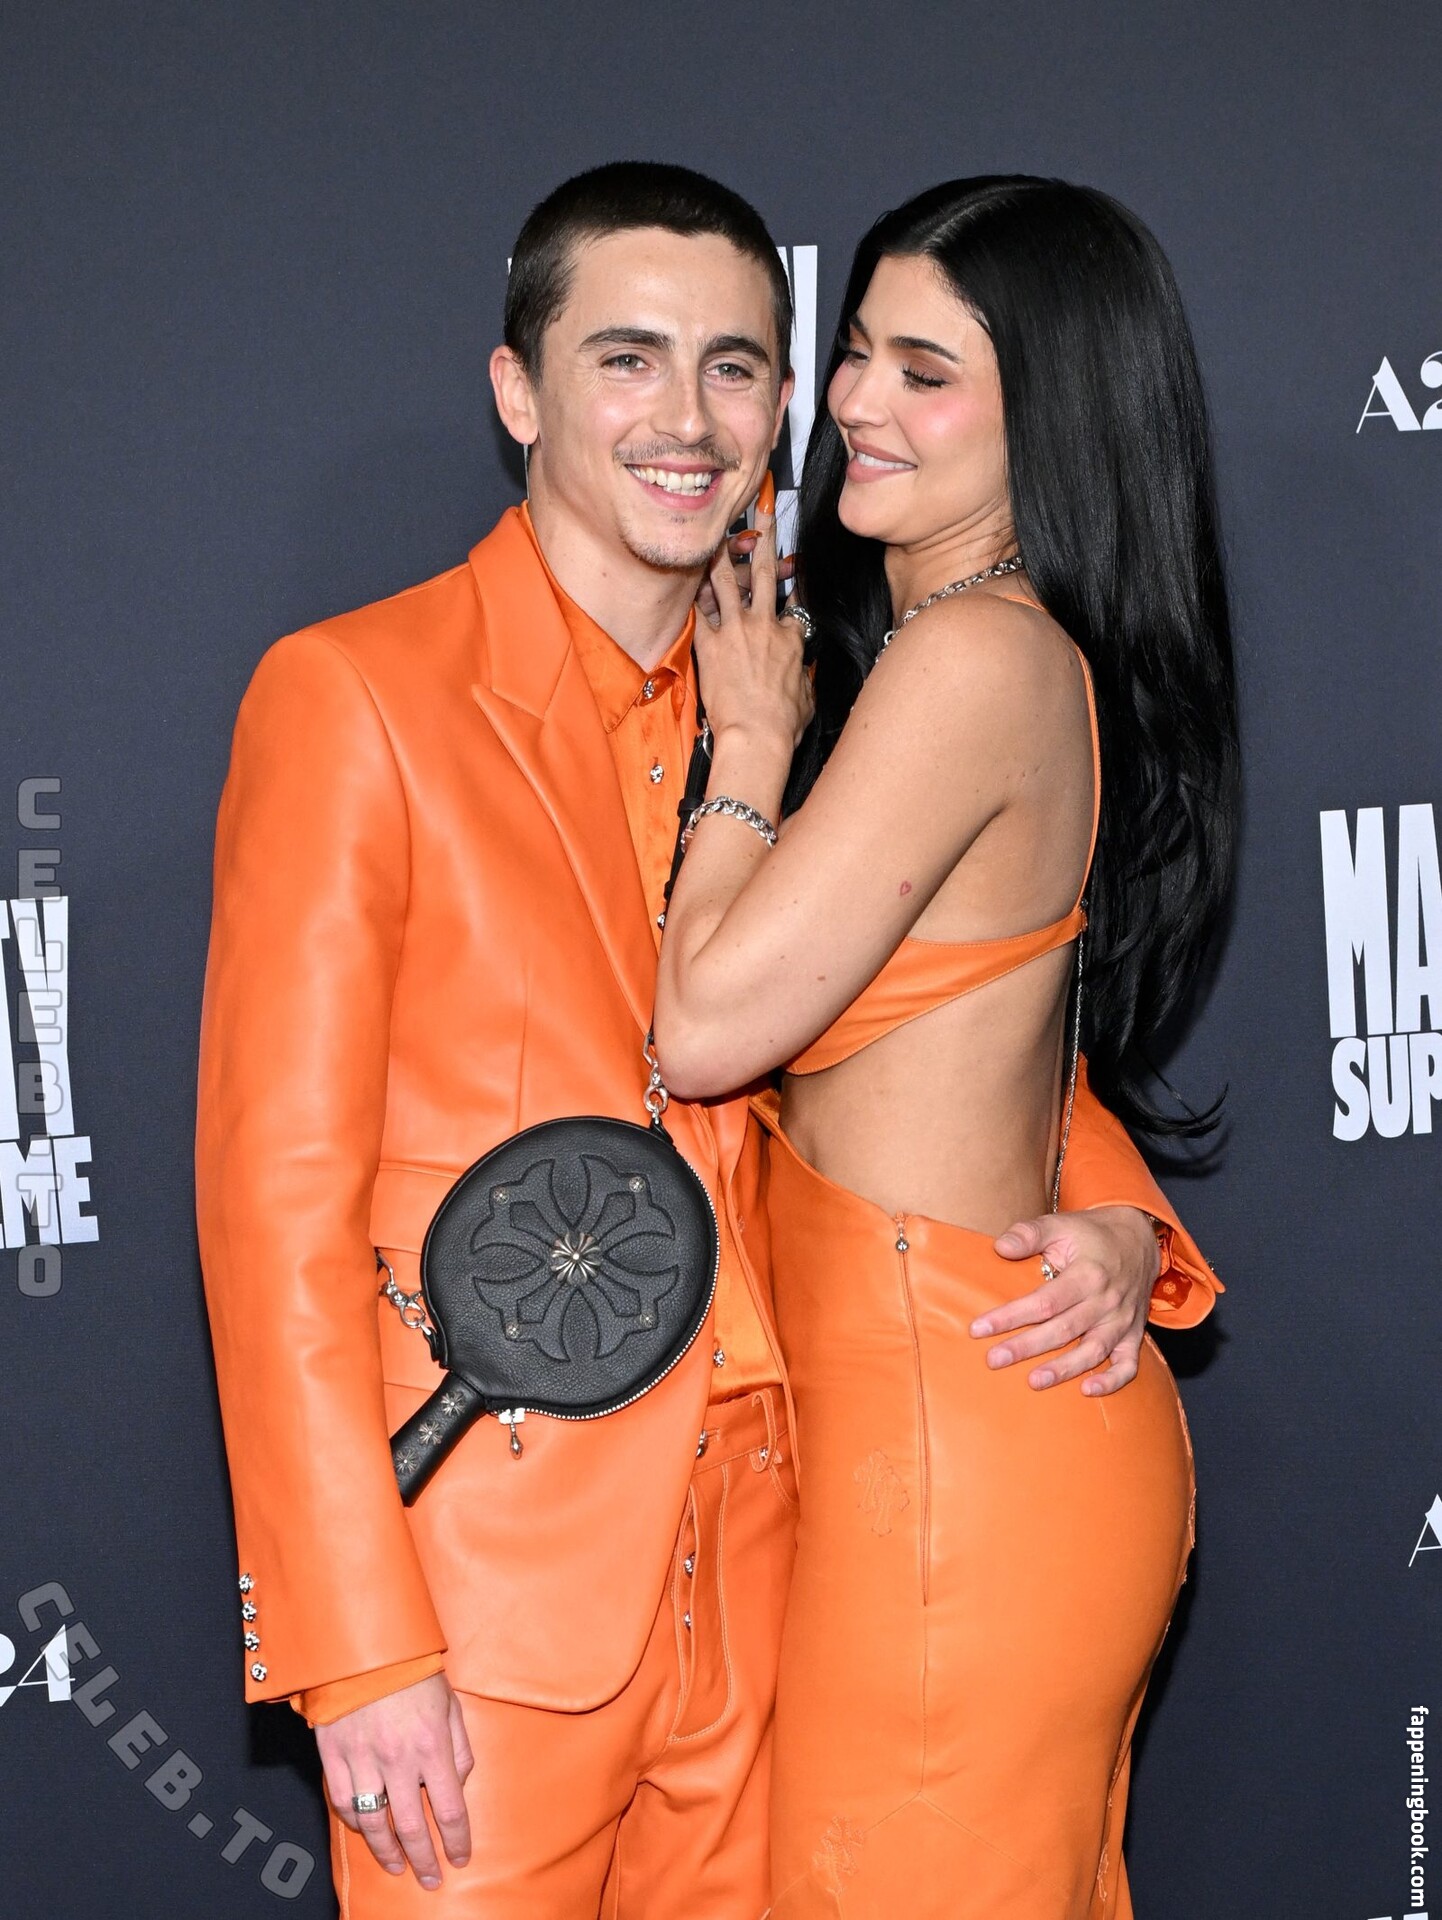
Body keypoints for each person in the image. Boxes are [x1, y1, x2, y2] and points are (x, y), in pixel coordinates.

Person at [196, 163, 1219, 1920]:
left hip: (793, 1552)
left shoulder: (813, 696)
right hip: (497, 1591)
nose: (687, 418)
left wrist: (1113, 1212)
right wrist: (355, 1645)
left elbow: (963, 1004)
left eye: (734, 366)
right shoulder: (359, 696)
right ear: (518, 391)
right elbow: (270, 1205)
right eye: (628, 359)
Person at [654, 175, 1237, 1918]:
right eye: (854, 353)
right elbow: (990, 1047)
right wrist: (1121, 1218)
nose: (851, 402)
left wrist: (749, 751)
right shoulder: (969, 648)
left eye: (925, 373)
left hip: (947, 1452)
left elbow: (706, 1027)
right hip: (926, 1418)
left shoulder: (974, 657)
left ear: (1048, 412)